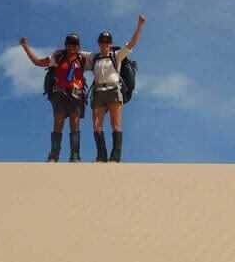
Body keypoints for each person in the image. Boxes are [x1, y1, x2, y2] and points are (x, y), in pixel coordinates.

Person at [18, 33, 91, 162]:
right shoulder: (58, 56)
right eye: (69, 44)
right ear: (66, 45)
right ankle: (53, 156)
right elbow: (38, 62)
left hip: (76, 94)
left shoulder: (83, 58)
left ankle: (75, 156)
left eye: (75, 44)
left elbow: (103, 58)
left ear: (78, 46)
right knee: (58, 123)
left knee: (74, 124)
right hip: (60, 93)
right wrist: (25, 47)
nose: (72, 47)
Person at [89, 15, 146, 162]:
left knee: (116, 124)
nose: (104, 44)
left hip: (114, 91)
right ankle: (101, 157)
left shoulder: (116, 55)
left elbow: (131, 44)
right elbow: (74, 54)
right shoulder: (93, 57)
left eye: (107, 42)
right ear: (99, 43)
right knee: (96, 126)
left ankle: (115, 158)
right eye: (102, 42)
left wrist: (139, 26)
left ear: (110, 43)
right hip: (98, 92)